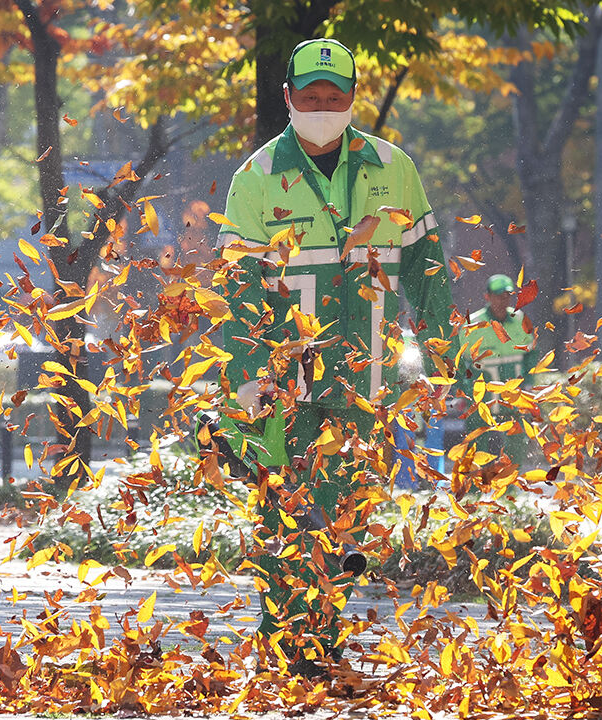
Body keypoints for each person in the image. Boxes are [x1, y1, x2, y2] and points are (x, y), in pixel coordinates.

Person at [214, 38, 459, 674]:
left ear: (353, 100)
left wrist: (440, 350)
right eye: (313, 96)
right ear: (288, 97)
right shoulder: (257, 178)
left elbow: (428, 270)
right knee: (288, 513)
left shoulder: (393, 168)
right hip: (282, 385)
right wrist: (244, 382)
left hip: (365, 382)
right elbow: (237, 291)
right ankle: (291, 644)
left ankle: (320, 638)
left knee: (345, 518)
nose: (324, 105)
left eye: (336, 96)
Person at [463, 273, 536, 462]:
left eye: (507, 295)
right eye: (498, 295)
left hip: (514, 391)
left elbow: (532, 353)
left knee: (516, 439)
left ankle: (510, 485)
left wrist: (529, 382)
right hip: (483, 393)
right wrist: (464, 388)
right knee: (477, 439)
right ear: (487, 296)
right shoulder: (474, 324)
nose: (503, 300)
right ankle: (475, 486)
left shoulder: (520, 320)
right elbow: (462, 361)